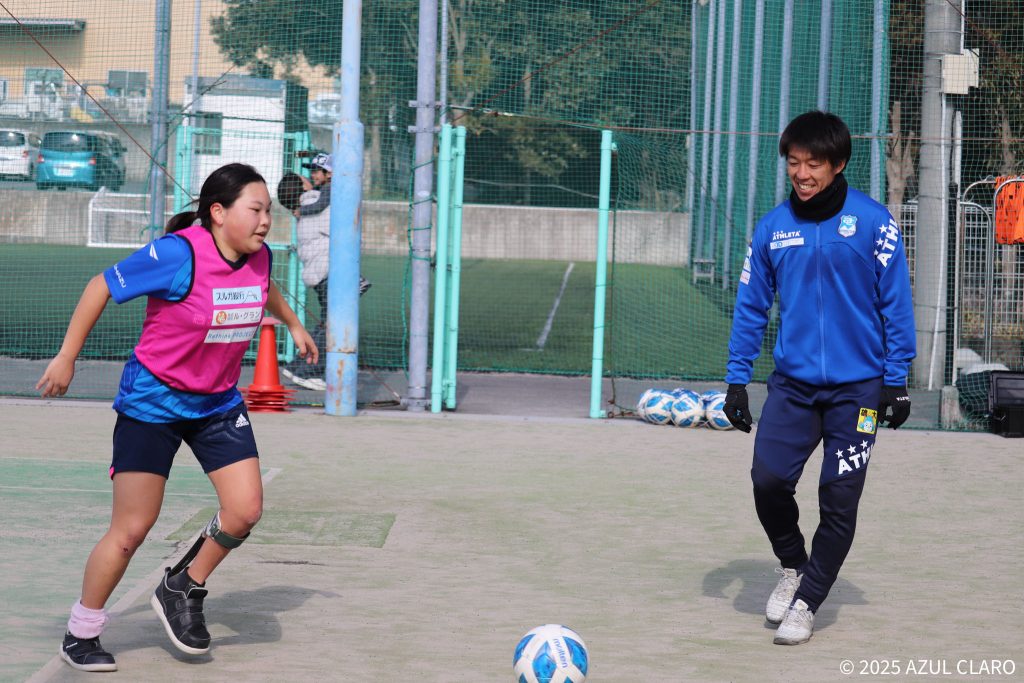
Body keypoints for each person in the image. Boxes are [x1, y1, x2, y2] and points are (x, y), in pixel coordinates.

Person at [37, 163, 318, 672]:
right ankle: (81, 633)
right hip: (153, 405)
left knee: (245, 511)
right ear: (218, 212)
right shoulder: (178, 254)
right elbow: (101, 285)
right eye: (255, 210)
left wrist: (294, 324)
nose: (265, 221)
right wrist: (66, 357)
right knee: (131, 529)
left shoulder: (259, 256)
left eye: (268, 212)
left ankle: (182, 585)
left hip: (216, 404)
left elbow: (264, 285)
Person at [722, 111, 916, 646]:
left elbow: (897, 302)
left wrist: (896, 378)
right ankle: (793, 565)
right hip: (794, 387)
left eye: (814, 164)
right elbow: (751, 306)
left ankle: (807, 601)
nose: (802, 174)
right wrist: (737, 380)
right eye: (794, 163)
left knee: (839, 498)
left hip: (859, 391)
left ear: (839, 164)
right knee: (767, 481)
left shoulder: (874, 223)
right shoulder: (772, 228)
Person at [275, 161, 370, 392]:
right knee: (332, 325)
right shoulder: (314, 202)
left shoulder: (305, 208)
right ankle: (307, 371)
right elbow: (343, 227)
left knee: (327, 322)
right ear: (302, 188)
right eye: (305, 178)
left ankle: (298, 365)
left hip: (321, 275)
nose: (310, 178)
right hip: (330, 274)